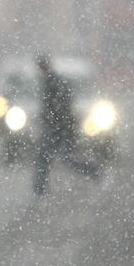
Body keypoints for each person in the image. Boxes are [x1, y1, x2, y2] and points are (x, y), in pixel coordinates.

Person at [33, 53, 100, 195]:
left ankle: (95, 171)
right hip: (59, 128)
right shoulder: (51, 82)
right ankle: (39, 189)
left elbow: (61, 107)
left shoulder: (54, 83)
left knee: (61, 158)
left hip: (61, 128)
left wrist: (54, 121)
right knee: (51, 157)